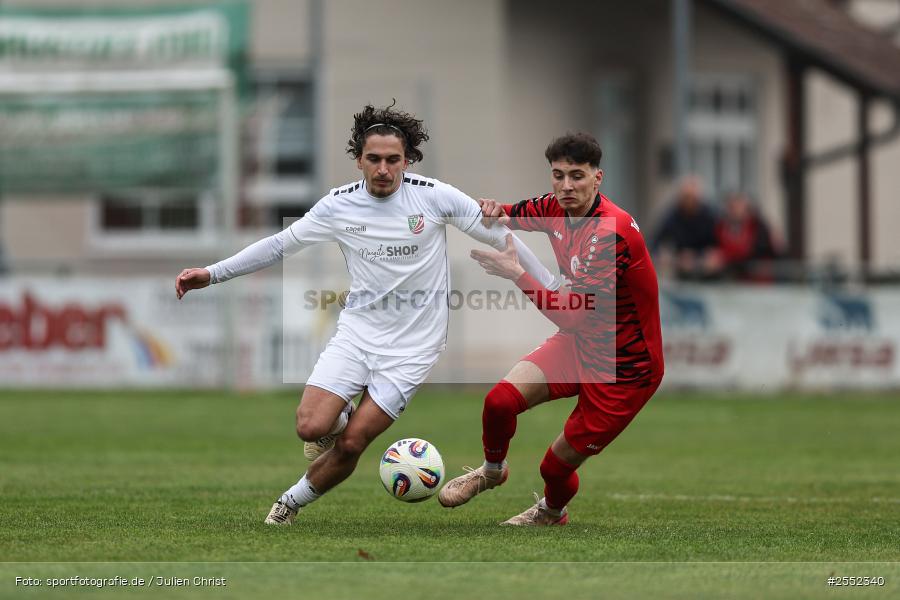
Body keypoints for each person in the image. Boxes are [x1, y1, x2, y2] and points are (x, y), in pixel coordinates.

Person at [175, 102, 557, 525]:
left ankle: (288, 504)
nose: (383, 168)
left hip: (415, 347)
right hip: (358, 334)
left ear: (406, 160)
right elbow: (280, 244)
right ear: (359, 159)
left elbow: (504, 239)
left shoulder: (435, 196)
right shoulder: (338, 205)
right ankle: (340, 419)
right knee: (310, 426)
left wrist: (551, 286)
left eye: (393, 160)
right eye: (373, 159)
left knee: (353, 443)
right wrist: (212, 273)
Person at [438, 132, 664, 525]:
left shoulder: (612, 234)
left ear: (598, 178)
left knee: (553, 468)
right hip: (582, 345)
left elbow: (572, 315)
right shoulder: (553, 206)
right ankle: (493, 470)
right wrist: (490, 208)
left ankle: (551, 511)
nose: (565, 186)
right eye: (558, 176)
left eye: (576, 176)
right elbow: (505, 214)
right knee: (498, 402)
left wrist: (518, 274)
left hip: (625, 370)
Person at [651, 175, 721, 280]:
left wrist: (709, 256)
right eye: (686, 197)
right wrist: (664, 255)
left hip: (708, 271)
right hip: (681, 269)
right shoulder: (673, 216)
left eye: (693, 198)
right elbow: (655, 241)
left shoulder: (710, 215)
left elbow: (720, 243)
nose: (689, 202)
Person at [715, 191, 778, 282]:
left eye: (739, 206)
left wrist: (725, 256)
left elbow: (751, 251)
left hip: (757, 282)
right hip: (732, 281)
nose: (736, 210)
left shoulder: (757, 227)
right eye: (732, 207)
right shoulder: (721, 227)